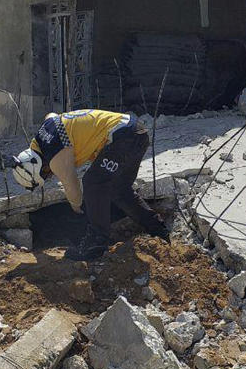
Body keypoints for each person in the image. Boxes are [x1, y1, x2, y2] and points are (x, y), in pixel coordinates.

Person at [11, 109, 168, 260]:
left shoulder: (55, 156)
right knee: (119, 190)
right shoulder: (43, 135)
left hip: (122, 138)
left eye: (44, 173)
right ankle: (158, 229)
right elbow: (51, 115)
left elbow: (73, 188)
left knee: (93, 182)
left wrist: (76, 206)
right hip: (135, 133)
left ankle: (96, 242)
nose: (49, 174)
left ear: (36, 165)